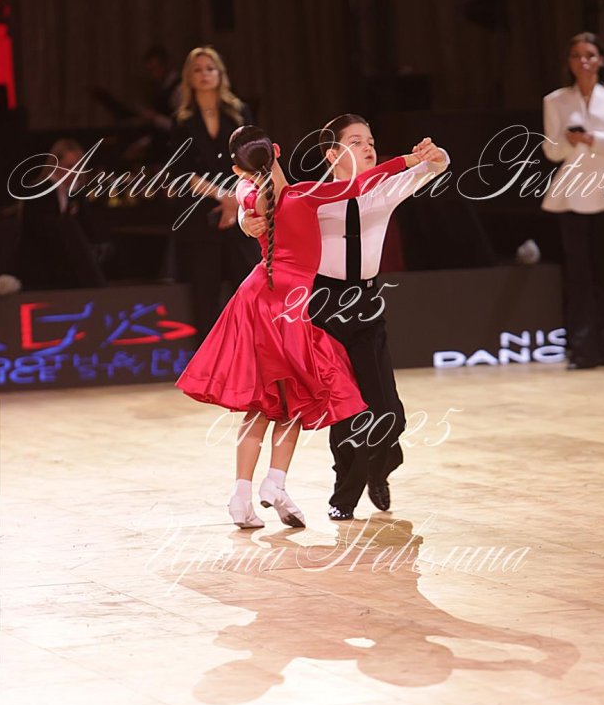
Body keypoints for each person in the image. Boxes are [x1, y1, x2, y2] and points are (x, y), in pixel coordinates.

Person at [176, 125, 428, 530]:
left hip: (257, 300)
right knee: (298, 394)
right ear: (277, 150)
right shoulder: (304, 195)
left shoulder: (250, 195)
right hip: (290, 308)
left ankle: (247, 494)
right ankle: (274, 483)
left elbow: (246, 197)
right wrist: (409, 160)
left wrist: (243, 214)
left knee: (269, 401)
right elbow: (360, 185)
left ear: (239, 169)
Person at [241, 114, 449, 520]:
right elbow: (263, 208)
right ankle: (344, 496)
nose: (368, 147)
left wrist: (434, 154)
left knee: (388, 413)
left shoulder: (386, 187)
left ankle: (380, 469)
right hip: (323, 305)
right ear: (332, 154)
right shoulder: (311, 195)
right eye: (356, 141)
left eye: (370, 140)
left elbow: (435, 166)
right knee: (345, 409)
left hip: (366, 305)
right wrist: (246, 223)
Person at [541, 31, 604, 369]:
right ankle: (581, 349)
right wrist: (570, 141)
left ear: (600, 60)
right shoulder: (556, 100)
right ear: (569, 62)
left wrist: (593, 138)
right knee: (578, 274)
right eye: (576, 56)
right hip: (572, 191)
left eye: (589, 55)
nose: (583, 61)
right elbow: (551, 150)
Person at [169, 46, 261, 338]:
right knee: (205, 297)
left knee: (249, 289)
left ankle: (255, 353)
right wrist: (222, 197)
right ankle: (211, 362)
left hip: (241, 210)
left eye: (210, 68)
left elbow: (253, 161)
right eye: (197, 70)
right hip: (201, 214)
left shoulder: (239, 113)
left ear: (220, 74)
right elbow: (181, 172)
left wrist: (236, 200)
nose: (204, 74)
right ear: (189, 77)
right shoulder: (182, 120)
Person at [19, 138, 110, 289]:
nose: (74, 172)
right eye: (69, 166)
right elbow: (37, 231)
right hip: (42, 265)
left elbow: (87, 228)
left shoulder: (77, 194)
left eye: (78, 167)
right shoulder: (38, 191)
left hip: (70, 267)